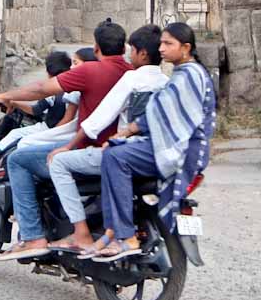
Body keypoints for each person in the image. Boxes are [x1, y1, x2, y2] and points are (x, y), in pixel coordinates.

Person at [0, 19, 132, 262]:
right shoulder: (132, 74)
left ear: (97, 49)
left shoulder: (90, 70)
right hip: (121, 153)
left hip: (90, 151)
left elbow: (41, 90)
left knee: (18, 160)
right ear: (124, 48)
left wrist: (6, 95)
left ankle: (33, 236)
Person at [92, 22, 216, 261]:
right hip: (179, 144)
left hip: (182, 148)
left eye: (169, 43)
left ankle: (124, 235)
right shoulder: (184, 73)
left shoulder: (189, 76)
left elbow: (162, 115)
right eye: (161, 43)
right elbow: (162, 115)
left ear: (186, 48)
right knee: (119, 149)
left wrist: (127, 132)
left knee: (114, 157)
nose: (162, 48)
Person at [45, 24, 168, 253]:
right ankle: (106, 230)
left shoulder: (132, 79)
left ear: (142, 54)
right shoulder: (165, 82)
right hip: (154, 153)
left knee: (59, 162)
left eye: (132, 50)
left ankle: (80, 233)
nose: (129, 55)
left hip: (126, 151)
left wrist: (68, 146)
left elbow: (99, 118)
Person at [0, 51, 77, 175]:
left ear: (49, 72)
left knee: (15, 135)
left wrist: (13, 102)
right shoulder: (74, 88)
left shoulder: (52, 90)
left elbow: (35, 108)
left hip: (50, 129)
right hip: (63, 130)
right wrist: (13, 101)